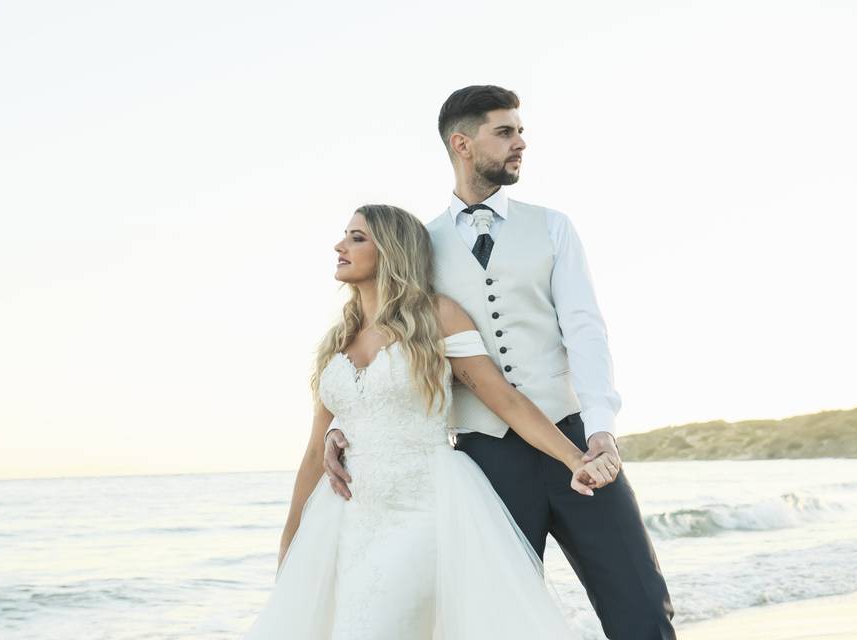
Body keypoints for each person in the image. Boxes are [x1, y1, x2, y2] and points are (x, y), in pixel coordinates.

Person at [324, 86, 676, 639]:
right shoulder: (421, 244)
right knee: (501, 621)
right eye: (505, 132)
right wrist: (349, 423)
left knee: (640, 604)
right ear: (462, 144)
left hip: (573, 437)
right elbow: (395, 337)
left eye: (520, 131)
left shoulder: (553, 226)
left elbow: (585, 330)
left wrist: (602, 428)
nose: (521, 143)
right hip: (484, 460)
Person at [244, 204, 619, 639]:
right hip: (350, 519)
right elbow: (313, 451)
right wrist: (289, 543)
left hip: (422, 508)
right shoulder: (338, 340)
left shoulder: (436, 317)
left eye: (357, 237)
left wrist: (576, 459)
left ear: (391, 251)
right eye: (345, 236)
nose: (340, 245)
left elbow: (505, 401)